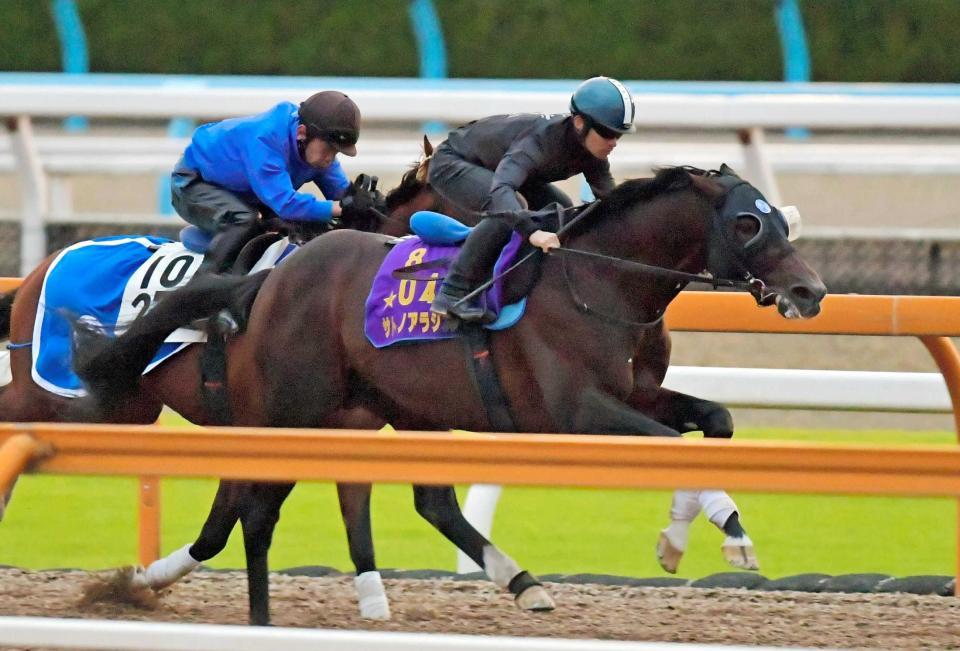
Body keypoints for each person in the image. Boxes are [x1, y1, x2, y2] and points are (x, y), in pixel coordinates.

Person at [428, 76, 636, 322]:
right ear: (580, 122)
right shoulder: (538, 141)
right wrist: (531, 231)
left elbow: (611, 203)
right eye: (607, 133)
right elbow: (501, 190)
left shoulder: (592, 152)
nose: (613, 142)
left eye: (618, 136)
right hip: (452, 163)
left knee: (562, 210)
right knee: (511, 209)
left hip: (494, 170)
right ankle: (452, 292)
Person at [171, 90, 368, 273]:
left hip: (248, 192)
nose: (331, 158)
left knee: (299, 227)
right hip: (193, 184)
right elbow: (286, 204)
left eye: (337, 152)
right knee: (243, 220)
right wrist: (341, 207)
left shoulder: (313, 143)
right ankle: (202, 287)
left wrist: (365, 203)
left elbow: (343, 195)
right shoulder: (266, 140)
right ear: (302, 133)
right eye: (329, 149)